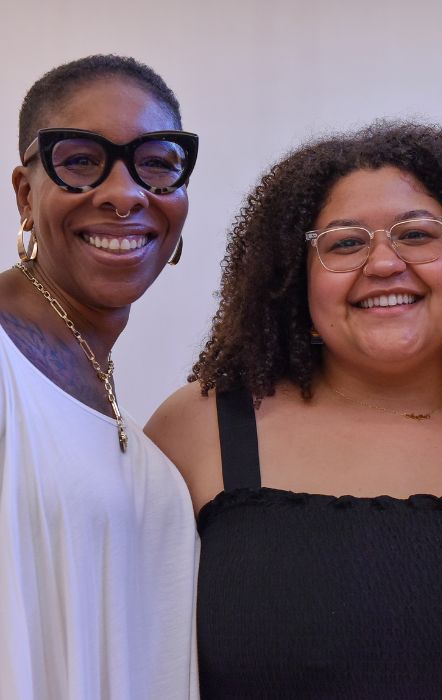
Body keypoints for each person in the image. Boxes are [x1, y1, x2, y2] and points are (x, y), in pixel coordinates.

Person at [146, 121, 442, 697]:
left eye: (417, 235)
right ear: (295, 279)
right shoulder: (199, 433)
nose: (385, 263)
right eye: (344, 243)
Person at [0, 56, 200, 699]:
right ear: (26, 195)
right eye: (81, 160)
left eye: (158, 163)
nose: (124, 193)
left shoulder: (117, 406)